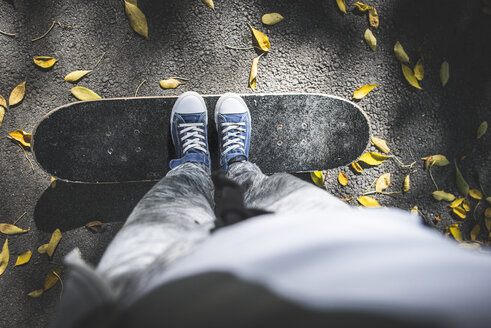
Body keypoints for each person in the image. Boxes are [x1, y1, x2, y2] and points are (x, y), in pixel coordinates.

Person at [52, 92, 491, 328]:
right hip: (341, 245)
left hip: (152, 293)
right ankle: (238, 164)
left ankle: (191, 165)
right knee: (266, 188)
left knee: (176, 201)